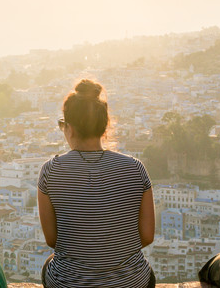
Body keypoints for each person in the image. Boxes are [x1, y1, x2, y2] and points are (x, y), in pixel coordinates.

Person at [37, 79, 155, 288]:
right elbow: (147, 235)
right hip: (131, 282)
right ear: (104, 127)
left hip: (69, 283)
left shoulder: (51, 170)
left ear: (69, 128)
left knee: (49, 265)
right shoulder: (136, 168)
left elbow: (53, 240)